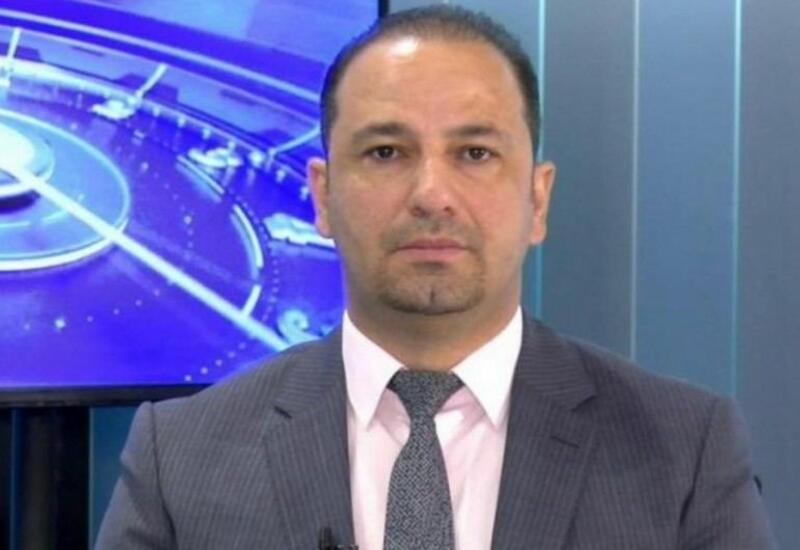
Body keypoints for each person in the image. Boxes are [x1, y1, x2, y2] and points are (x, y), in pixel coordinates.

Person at [96, 6, 775, 549]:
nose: (431, 194)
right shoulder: (179, 458)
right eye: (386, 152)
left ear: (537, 199)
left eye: (474, 153)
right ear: (323, 197)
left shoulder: (685, 450)